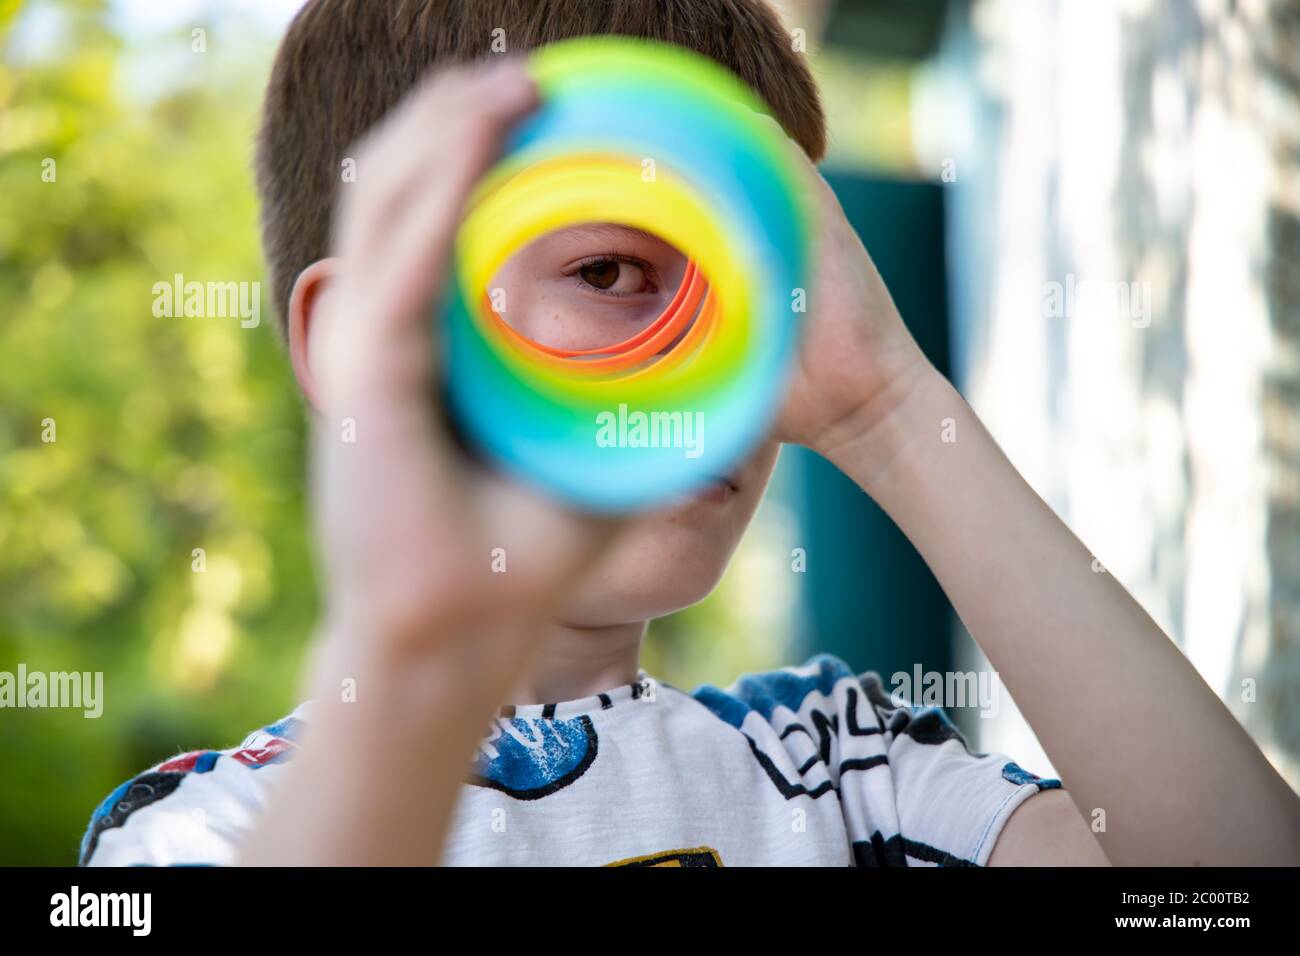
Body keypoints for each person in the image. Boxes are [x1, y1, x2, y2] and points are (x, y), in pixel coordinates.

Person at [80, 0, 1300, 867]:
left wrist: (890, 408)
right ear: (362, 344)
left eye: (746, 280)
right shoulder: (205, 832)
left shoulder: (842, 769)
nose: (697, 349)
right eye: (609, 268)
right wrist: (416, 649)